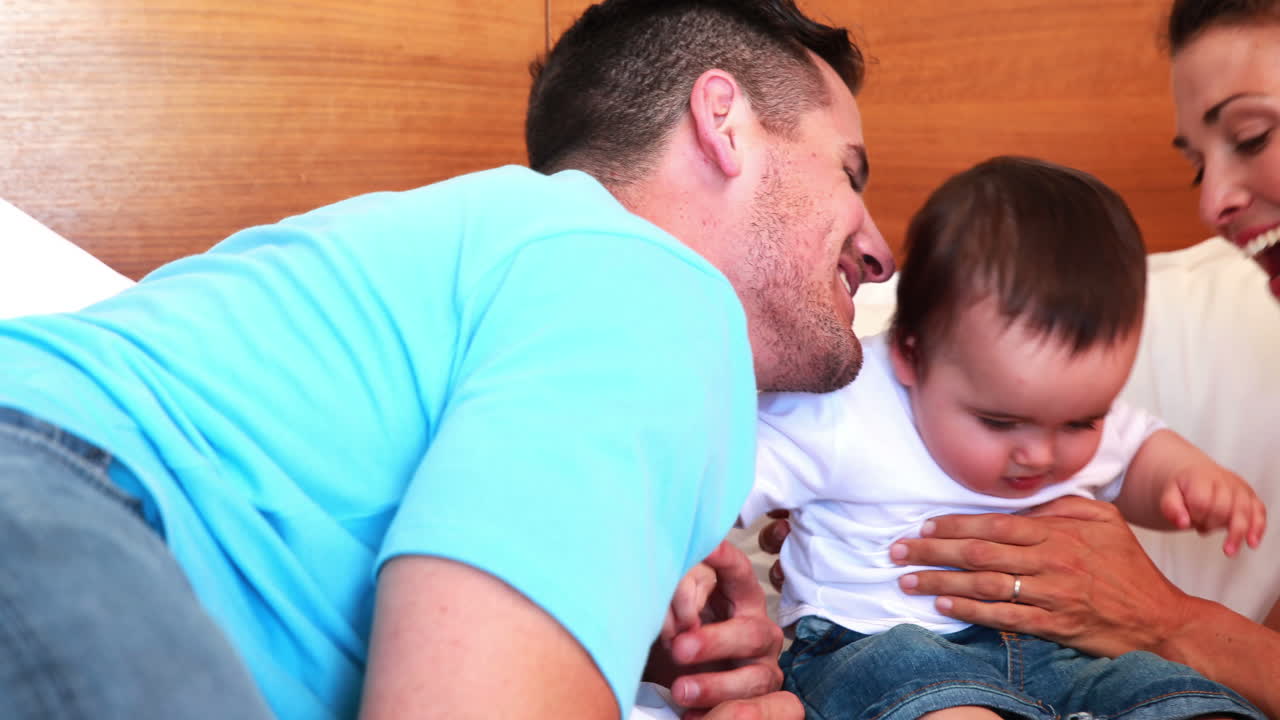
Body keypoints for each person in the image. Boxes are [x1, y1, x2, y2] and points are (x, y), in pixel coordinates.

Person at [0, 1, 896, 718]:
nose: (881, 249)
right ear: (723, 122)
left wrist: (606, 622)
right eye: (849, 173)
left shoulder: (521, 258)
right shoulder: (655, 277)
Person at [759, 1, 1280, 716]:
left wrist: (1190, 484)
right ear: (912, 354)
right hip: (885, 641)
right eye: (1001, 420)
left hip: (1062, 653)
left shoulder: (1073, 415)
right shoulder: (847, 399)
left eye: (1251, 136)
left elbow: (1137, 450)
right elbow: (709, 477)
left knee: (1182, 696)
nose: (1042, 453)